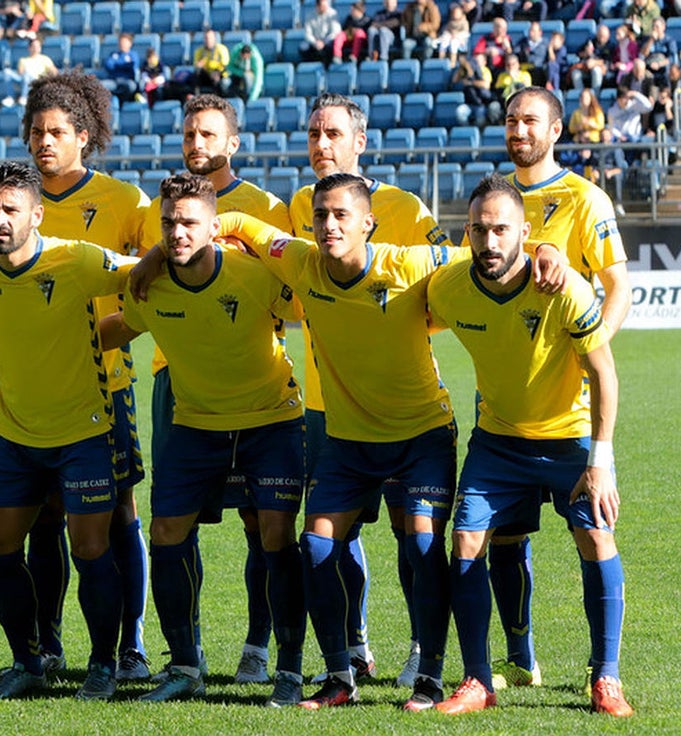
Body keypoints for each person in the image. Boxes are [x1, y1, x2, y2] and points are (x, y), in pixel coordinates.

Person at [214, 175, 463, 712]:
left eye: (342, 215)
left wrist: (544, 256)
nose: (329, 225)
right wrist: (212, 227)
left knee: (422, 543)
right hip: (348, 443)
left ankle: (432, 678)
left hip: (422, 435)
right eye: (321, 215)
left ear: (368, 222)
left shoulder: (409, 263)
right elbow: (248, 227)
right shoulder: (301, 261)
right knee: (317, 546)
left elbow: (482, 254)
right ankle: (338, 677)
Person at [0, 161, 136, 701]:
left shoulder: (76, 258)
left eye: (10, 209)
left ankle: (104, 665)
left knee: (90, 550)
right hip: (15, 436)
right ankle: (28, 661)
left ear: (37, 215)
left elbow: (138, 272)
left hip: (84, 430)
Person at [428, 174, 634, 718]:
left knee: (596, 539)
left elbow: (604, 372)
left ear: (525, 229)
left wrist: (601, 461)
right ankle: (477, 680)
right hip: (497, 442)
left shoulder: (564, 287)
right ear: (465, 232)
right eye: (478, 230)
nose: (490, 241)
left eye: (501, 229)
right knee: (467, 540)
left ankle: (606, 678)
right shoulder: (448, 288)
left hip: (569, 439)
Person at [103, 174, 308, 706]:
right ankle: (185, 667)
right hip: (195, 425)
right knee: (168, 531)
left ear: (215, 228)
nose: (177, 232)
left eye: (190, 222)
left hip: (270, 422)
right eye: (169, 222)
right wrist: (48, 340)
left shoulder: (255, 275)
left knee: (276, 535)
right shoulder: (150, 285)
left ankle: (288, 669)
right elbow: (125, 327)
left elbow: (315, 303)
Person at [287, 94, 453, 695]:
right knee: (333, 538)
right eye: (312, 133)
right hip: (326, 408)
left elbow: (445, 283)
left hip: (405, 410)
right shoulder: (297, 207)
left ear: (361, 140)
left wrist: (390, 322)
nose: (321, 143)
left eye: (332, 132)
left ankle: (423, 655)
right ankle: (351, 652)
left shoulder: (404, 208)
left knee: (417, 538)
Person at [474, 86, 631, 692]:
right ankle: (520, 654)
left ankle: (605, 670)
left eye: (531, 121)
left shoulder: (584, 198)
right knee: (506, 533)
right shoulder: (497, 199)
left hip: (570, 409)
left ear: (556, 130)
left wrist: (593, 342)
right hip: (507, 404)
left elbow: (617, 283)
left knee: (592, 528)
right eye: (512, 119)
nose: (519, 130)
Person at [139, 93, 293, 686]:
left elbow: (285, 278)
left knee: (263, 521)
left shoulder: (263, 207)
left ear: (233, 143)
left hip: (252, 381)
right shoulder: (170, 204)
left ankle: (259, 644)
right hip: (175, 376)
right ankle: (189, 653)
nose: (196, 144)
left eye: (208, 135)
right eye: (188, 134)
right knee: (176, 518)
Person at [20, 70, 153, 684]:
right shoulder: (14, 199)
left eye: (55, 132)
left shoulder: (126, 202)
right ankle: (46, 646)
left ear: (85, 135)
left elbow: (160, 276)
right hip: (36, 390)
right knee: (43, 518)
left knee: (118, 513)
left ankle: (130, 647)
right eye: (35, 132)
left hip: (107, 387)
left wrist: (111, 335)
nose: (43, 142)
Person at [4, 36, 58, 107]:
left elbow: (54, 71)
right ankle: (10, 97)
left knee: (27, 74)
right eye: (34, 46)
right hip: (24, 80)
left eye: (38, 46)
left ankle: (24, 97)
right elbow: (20, 73)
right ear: (29, 48)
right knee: (7, 72)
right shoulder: (23, 60)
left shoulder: (45, 59)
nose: (36, 48)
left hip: (37, 80)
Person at [103, 32, 142, 104]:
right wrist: (123, 65)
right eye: (120, 42)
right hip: (114, 80)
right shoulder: (114, 54)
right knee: (100, 85)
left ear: (130, 43)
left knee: (131, 86)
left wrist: (116, 65)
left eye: (124, 42)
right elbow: (108, 65)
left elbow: (132, 65)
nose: (122, 44)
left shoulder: (133, 55)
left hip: (127, 80)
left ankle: (123, 104)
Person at [300, 0, 343, 65]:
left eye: (325, 6)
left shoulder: (333, 14)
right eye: (322, 6)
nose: (324, 8)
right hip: (315, 42)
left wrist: (324, 42)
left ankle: (327, 66)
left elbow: (335, 32)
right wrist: (315, 42)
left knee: (331, 47)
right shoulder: (310, 16)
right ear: (317, 6)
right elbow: (307, 33)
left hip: (328, 42)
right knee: (303, 47)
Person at [193, 29, 230, 96]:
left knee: (221, 80)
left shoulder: (221, 49)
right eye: (206, 38)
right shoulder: (199, 51)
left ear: (214, 39)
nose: (208, 41)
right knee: (196, 73)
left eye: (210, 38)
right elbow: (196, 64)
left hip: (219, 75)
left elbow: (225, 65)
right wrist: (199, 66)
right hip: (206, 75)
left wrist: (217, 71)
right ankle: (197, 97)